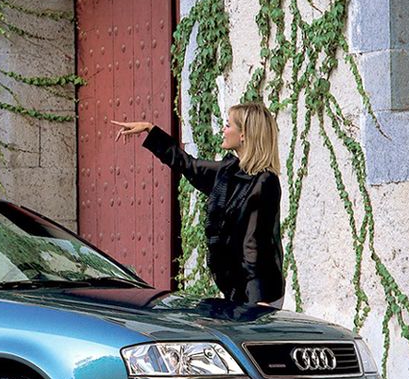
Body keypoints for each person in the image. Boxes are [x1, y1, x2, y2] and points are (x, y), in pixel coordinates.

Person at [112, 102, 284, 307]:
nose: (223, 129)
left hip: (261, 293)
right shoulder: (229, 172)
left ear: (244, 134)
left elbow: (255, 242)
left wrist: (258, 299)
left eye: (228, 125)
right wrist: (150, 129)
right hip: (238, 289)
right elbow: (189, 165)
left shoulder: (265, 181)